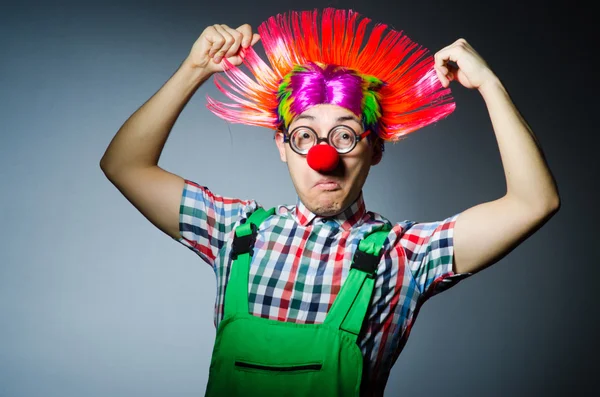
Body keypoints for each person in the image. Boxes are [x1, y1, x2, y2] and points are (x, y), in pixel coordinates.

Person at [100, 8, 560, 397]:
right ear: (282, 146)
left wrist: (489, 86)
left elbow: (533, 202)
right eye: (304, 136)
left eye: (344, 134)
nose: (324, 155)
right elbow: (124, 164)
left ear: (375, 148)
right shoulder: (234, 231)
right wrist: (194, 70)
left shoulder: (407, 255)